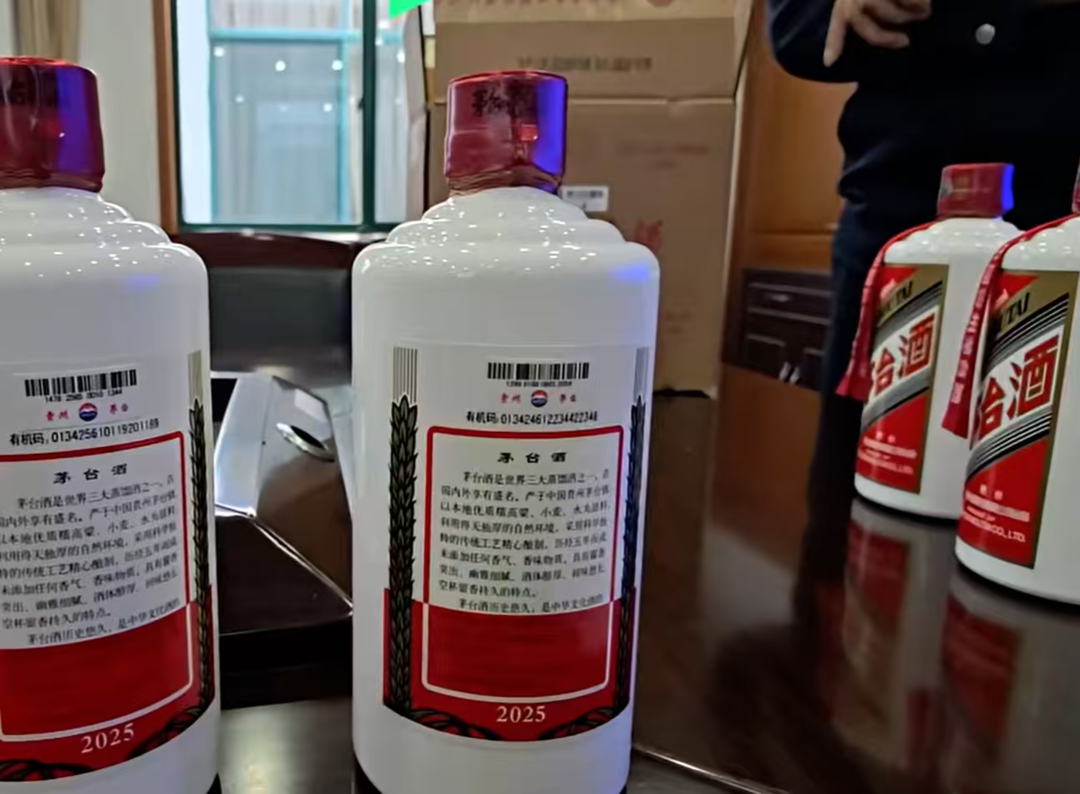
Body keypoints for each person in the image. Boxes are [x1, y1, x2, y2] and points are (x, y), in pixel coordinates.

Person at [767, 0, 1080, 550]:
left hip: (1063, 217)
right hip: (902, 219)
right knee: (858, 501)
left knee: (1048, 519)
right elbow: (795, 31)